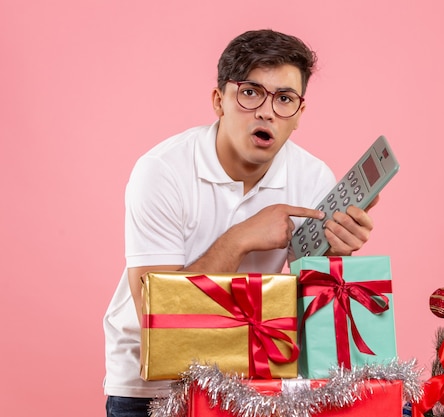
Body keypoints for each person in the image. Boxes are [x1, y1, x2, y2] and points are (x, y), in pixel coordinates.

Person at [102, 29, 379, 417]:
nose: (266, 112)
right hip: (151, 386)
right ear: (219, 100)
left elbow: (308, 312)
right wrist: (241, 239)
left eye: (284, 99)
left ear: (299, 114)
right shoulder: (161, 171)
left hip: (252, 381)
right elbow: (156, 314)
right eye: (250, 93)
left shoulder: (312, 178)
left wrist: (333, 254)